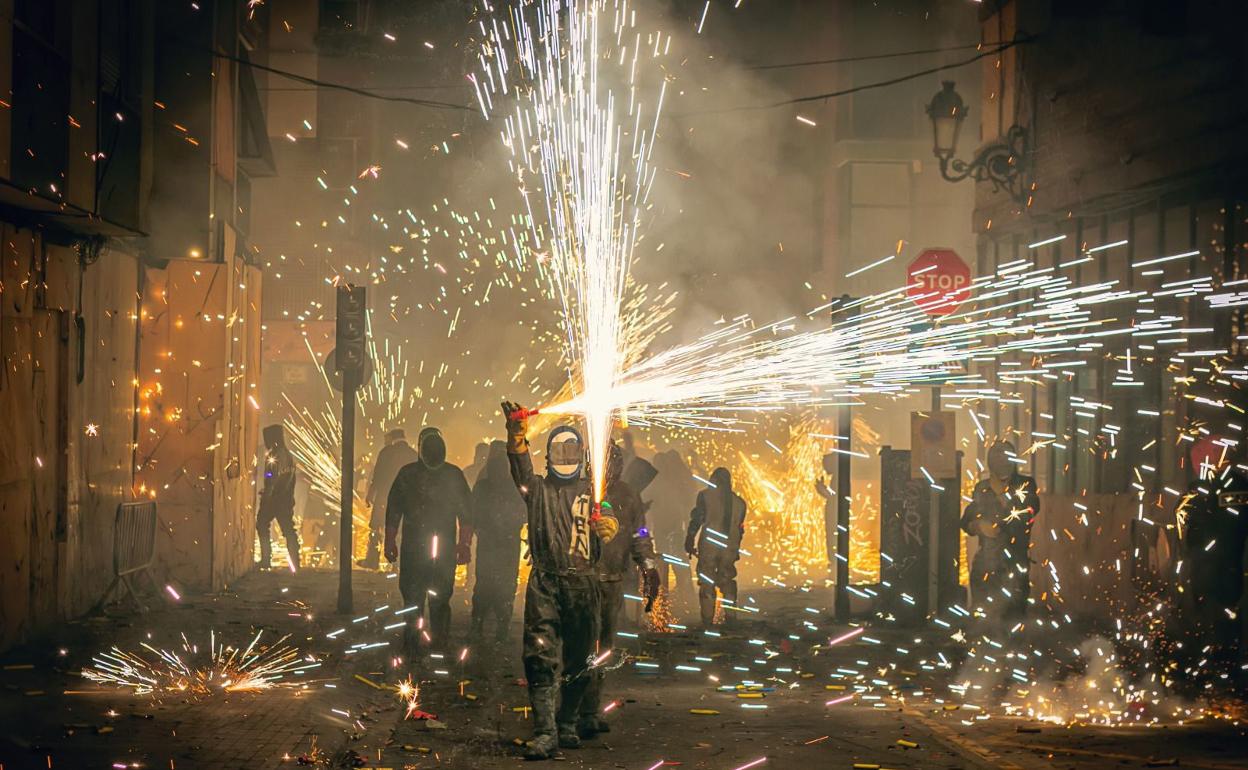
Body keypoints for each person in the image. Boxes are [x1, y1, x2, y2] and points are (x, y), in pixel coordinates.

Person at [500, 401, 619, 760]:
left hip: (583, 586)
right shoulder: (537, 490)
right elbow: (520, 469)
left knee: (581, 660)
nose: (564, 455)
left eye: (570, 449)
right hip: (545, 584)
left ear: (581, 454)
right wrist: (516, 435)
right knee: (538, 657)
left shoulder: (594, 493)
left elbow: (610, 517)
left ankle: (566, 723)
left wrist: (609, 526)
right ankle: (545, 731)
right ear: (548, 456)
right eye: (558, 450)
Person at [579, 441, 660, 740]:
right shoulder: (577, 492)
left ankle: (589, 709)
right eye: (606, 460)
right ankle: (572, 710)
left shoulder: (628, 495)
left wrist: (648, 566)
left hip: (612, 582)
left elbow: (640, 533)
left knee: (603, 649)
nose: (611, 466)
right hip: (580, 582)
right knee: (579, 645)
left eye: (615, 460)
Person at [384, 427, 473, 654]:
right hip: (436, 549)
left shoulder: (409, 474)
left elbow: (394, 512)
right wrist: (463, 544)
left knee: (421, 598)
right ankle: (436, 644)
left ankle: (415, 644)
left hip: (417, 548)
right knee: (437, 597)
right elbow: (467, 515)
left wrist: (390, 541)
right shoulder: (452, 474)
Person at [960, 440, 1038, 623]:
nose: (1001, 462)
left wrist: (1002, 496)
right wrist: (978, 525)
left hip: (1014, 562)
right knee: (983, 614)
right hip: (986, 564)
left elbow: (1027, 512)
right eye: (997, 457)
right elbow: (966, 520)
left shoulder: (1025, 485)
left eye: (1005, 457)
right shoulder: (982, 488)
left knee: (1014, 615)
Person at [468, 440, 527, 642]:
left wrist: (477, 531)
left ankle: (479, 624)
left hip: (490, 541)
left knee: (484, 583)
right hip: (507, 543)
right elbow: (525, 513)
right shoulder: (516, 485)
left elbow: (473, 511)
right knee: (506, 585)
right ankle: (501, 625)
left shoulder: (483, 484)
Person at [685, 467, 747, 628]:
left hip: (710, 546)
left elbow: (697, 519)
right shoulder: (740, 503)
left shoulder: (705, 497)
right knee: (727, 580)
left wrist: (690, 539)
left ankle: (707, 621)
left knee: (707, 581)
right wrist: (735, 548)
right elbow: (740, 530)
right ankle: (731, 618)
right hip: (730, 547)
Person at [360, 428, 418, 569]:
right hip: (407, 501)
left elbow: (377, 475)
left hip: (385, 498)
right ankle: (398, 564)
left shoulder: (386, 452)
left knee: (377, 529)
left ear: (392, 438)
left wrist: (370, 494)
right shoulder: (414, 454)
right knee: (401, 531)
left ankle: (372, 560)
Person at [258, 424, 300, 571]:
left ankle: (265, 560)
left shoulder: (274, 456)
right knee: (288, 530)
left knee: (262, 525)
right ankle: (295, 563)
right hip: (285, 499)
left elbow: (271, 477)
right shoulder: (288, 456)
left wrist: (267, 495)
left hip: (274, 500)